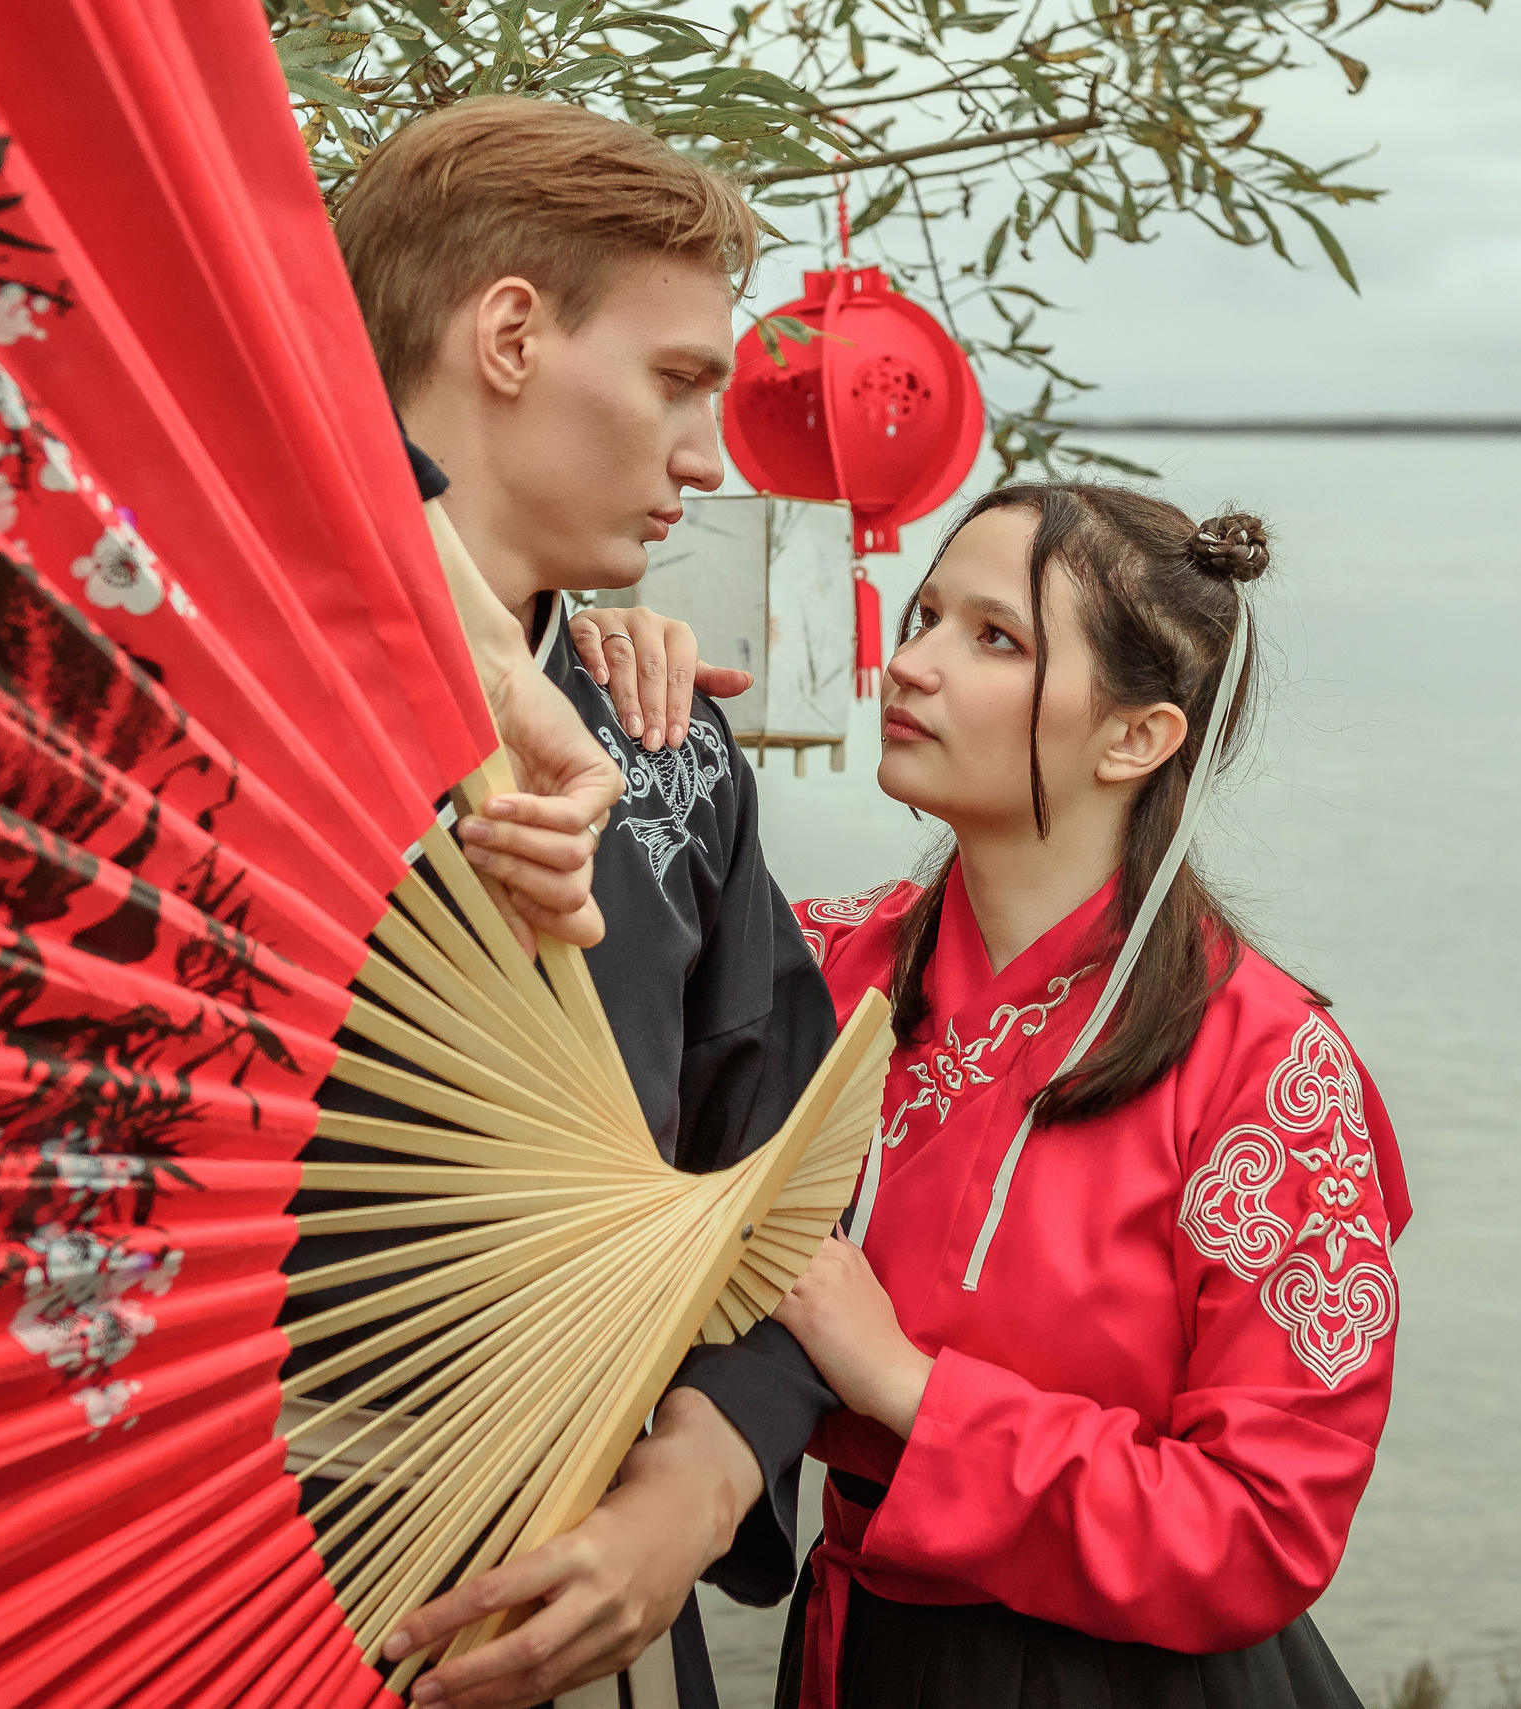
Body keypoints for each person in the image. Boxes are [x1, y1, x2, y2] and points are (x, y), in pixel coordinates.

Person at [577, 484, 1411, 1709]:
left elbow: (1262, 1526)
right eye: (923, 616)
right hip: (859, 1645)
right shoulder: (823, 971)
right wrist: (593, 697)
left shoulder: (1269, 1071)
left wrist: (907, 1387)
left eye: (994, 638)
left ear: (1135, 737)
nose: (911, 663)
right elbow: (590, 1060)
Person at [289, 96, 846, 1709]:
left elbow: (782, 1174)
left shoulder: (671, 751)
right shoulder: (216, 702)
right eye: (675, 381)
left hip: (582, 1570)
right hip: (238, 1546)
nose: (704, 458)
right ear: (512, 334)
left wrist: (698, 1484)